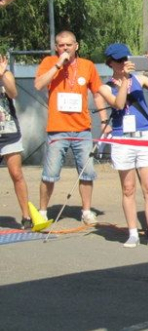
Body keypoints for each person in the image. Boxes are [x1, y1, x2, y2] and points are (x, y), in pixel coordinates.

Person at [98, 43, 148, 249]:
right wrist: (123, 83)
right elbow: (119, 104)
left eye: (126, 59)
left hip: (145, 136)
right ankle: (132, 232)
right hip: (123, 138)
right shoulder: (105, 87)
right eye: (120, 61)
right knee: (128, 188)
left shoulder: (140, 79)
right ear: (111, 63)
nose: (124, 64)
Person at [34, 30, 108, 225]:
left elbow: (98, 93)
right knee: (49, 174)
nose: (65, 48)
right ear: (56, 47)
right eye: (61, 45)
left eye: (69, 45)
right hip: (57, 128)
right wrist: (58, 64)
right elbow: (39, 85)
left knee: (87, 172)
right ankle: (42, 211)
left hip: (82, 128)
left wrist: (103, 119)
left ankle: (86, 210)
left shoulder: (88, 66)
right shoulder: (49, 62)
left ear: (76, 46)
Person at [0, 54, 32, 229]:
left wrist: (3, 74)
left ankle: (26, 216)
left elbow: (13, 93)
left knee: (16, 174)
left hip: (9, 131)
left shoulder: (7, 75)